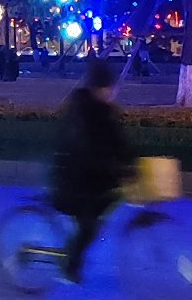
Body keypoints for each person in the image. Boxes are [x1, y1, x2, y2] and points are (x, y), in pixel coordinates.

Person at [49, 59, 133, 283]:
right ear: (97, 86)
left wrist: (134, 162)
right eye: (107, 87)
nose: (111, 92)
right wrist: (112, 168)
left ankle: (74, 251)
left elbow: (118, 143)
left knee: (98, 218)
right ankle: (69, 266)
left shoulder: (105, 111)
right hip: (73, 180)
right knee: (89, 224)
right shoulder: (81, 111)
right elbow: (84, 150)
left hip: (96, 179)